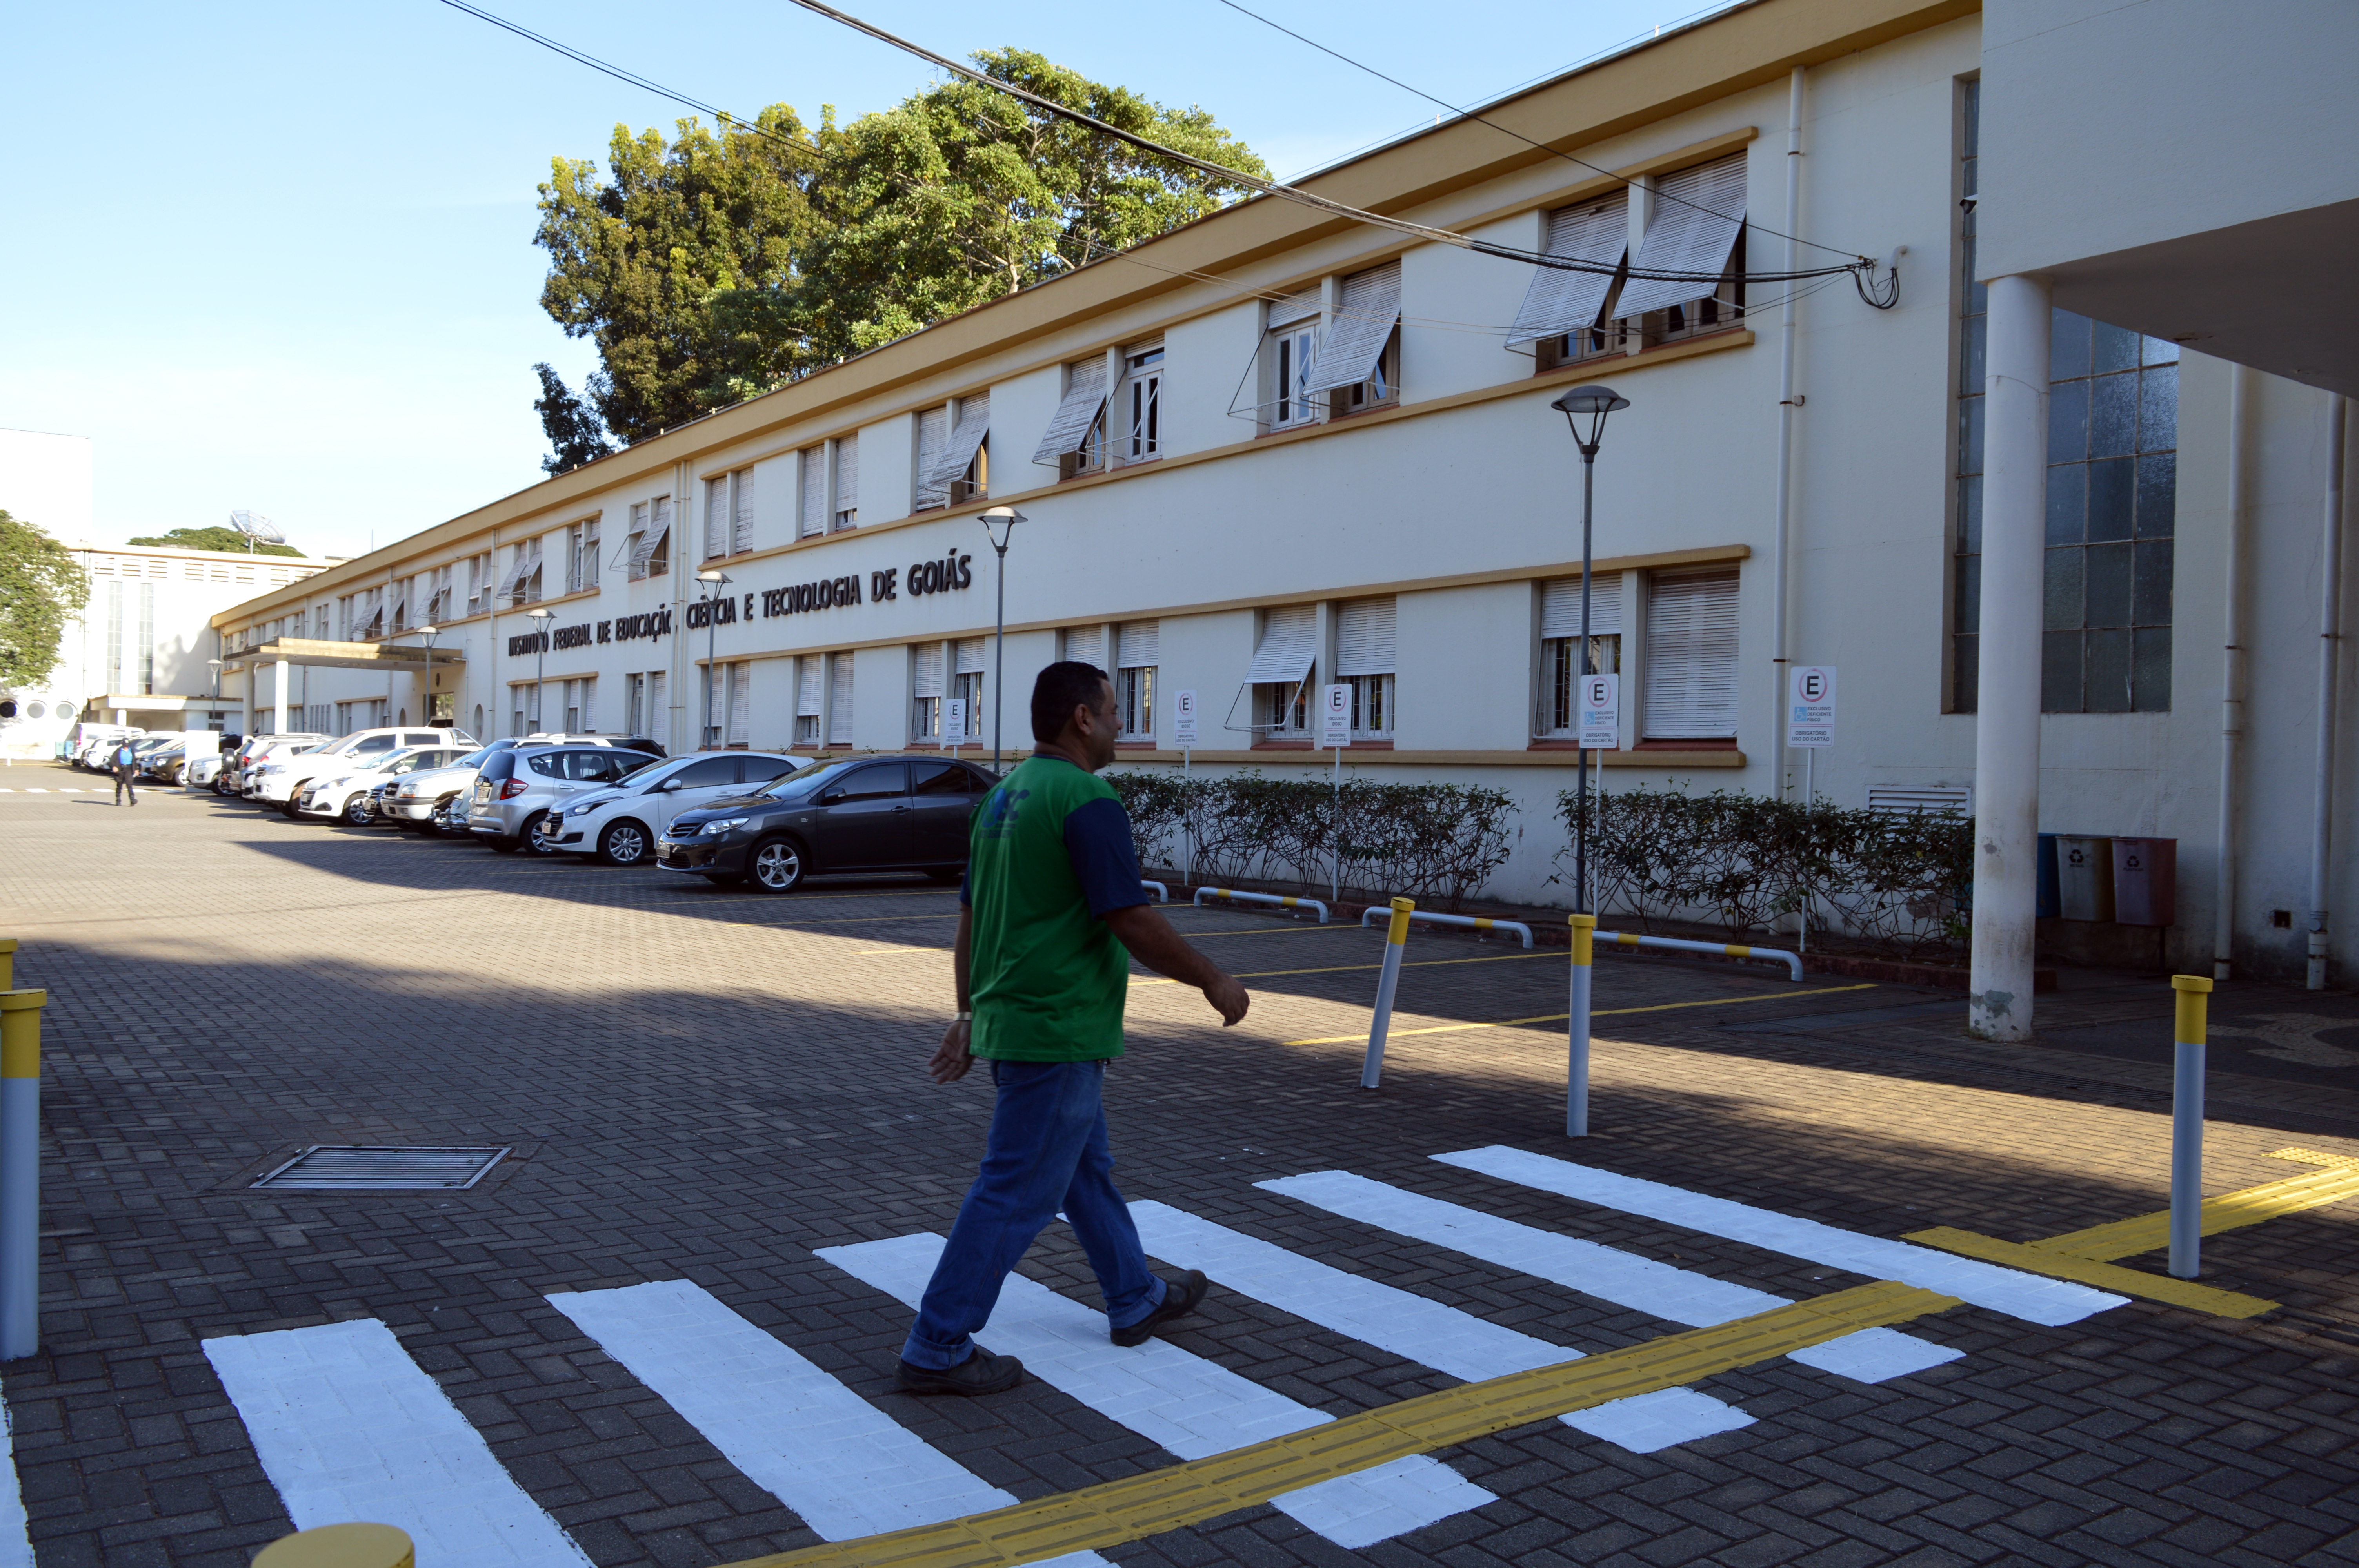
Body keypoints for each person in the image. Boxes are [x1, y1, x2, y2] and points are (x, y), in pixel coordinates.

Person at [896, 661, 1251, 1395]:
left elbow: (969, 921)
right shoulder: (1087, 800)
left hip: (1021, 1023)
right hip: (1056, 1028)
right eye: (1116, 711)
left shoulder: (1001, 800)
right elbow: (1129, 919)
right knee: (1015, 1190)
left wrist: (968, 1012)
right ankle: (936, 1345)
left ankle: (1135, 1296)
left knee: (1084, 1171)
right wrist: (1212, 977)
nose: (1124, 724)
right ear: (1082, 719)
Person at [112, 739, 138, 806]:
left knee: (129, 784)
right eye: (124, 746)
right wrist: (114, 766)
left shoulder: (131, 751)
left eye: (126, 746)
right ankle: (118, 800)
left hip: (129, 769)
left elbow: (134, 761)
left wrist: (136, 769)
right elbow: (112, 760)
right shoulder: (118, 751)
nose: (125, 747)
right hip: (121, 769)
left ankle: (132, 800)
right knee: (120, 785)